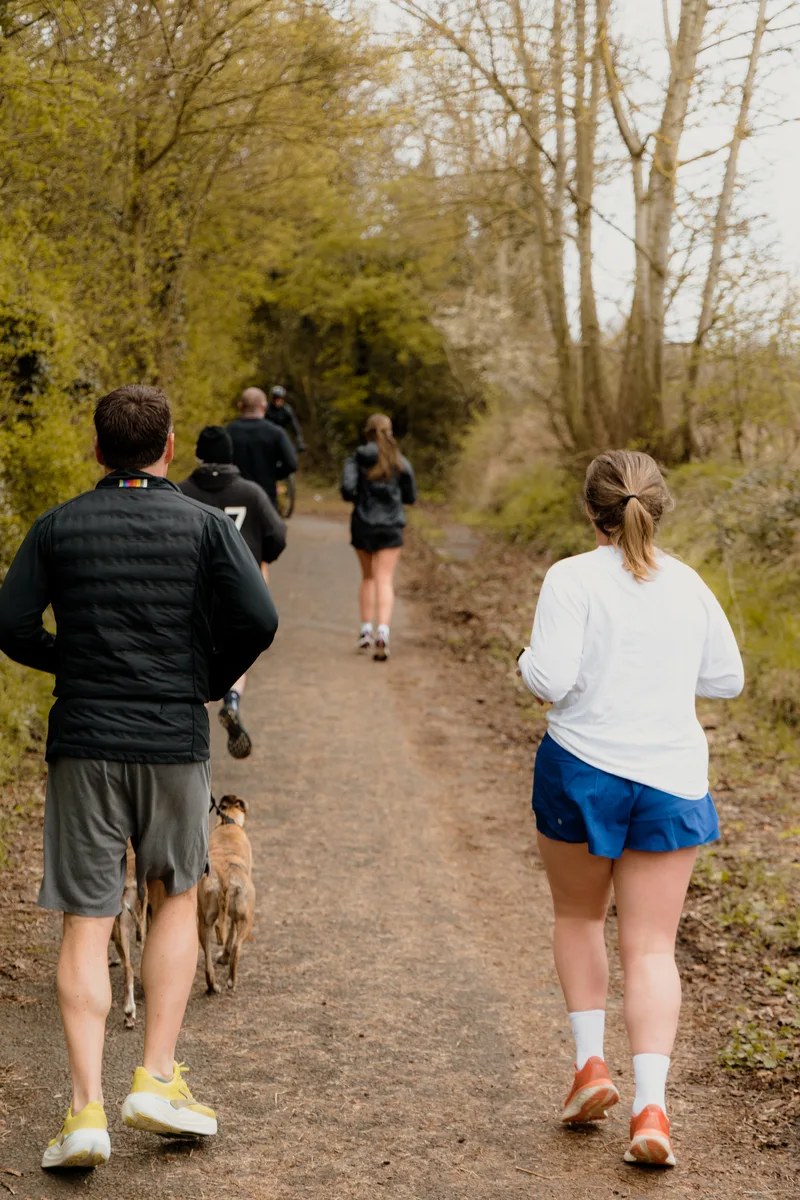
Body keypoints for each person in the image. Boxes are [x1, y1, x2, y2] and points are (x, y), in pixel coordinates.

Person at [0, 385, 278, 1170]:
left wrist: (75, 663)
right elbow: (258, 618)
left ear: (96, 449)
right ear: (168, 448)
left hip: (84, 739)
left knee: (87, 917)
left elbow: (11, 623)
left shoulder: (57, 527)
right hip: (171, 739)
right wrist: (203, 676)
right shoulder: (200, 526)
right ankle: (155, 1078)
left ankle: (85, 1109)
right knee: (175, 895)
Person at [517, 450, 744, 1168]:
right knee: (651, 947)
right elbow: (728, 678)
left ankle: (590, 1069)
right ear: (657, 506)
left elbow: (547, 678)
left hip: (583, 770)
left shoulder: (572, 578)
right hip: (672, 777)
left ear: (592, 510)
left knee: (579, 916)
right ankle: (652, 1108)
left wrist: (526, 664)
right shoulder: (688, 584)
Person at [178, 425, 287, 759]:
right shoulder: (251, 494)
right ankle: (233, 699)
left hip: (192, 592)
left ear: (198, 455)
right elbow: (277, 536)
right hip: (238, 591)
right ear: (230, 456)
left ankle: (192, 717)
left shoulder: (180, 492)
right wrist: (261, 558)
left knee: (194, 651)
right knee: (236, 649)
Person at [340, 413, 416, 661]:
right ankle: (383, 632)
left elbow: (346, 488)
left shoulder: (356, 458)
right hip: (391, 526)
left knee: (368, 578)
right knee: (385, 579)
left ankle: (365, 631)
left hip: (363, 524)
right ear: (389, 432)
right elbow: (410, 496)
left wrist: (359, 498)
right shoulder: (399, 460)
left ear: (367, 432)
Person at [228, 386, 297, 506]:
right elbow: (291, 463)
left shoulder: (228, 432)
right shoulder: (276, 433)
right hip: (266, 498)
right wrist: (273, 475)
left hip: (234, 499)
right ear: (264, 406)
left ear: (240, 406)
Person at [265, 385, 306, 451]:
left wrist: (299, 441)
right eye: (276, 399)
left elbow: (294, 426)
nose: (278, 401)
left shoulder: (287, 410)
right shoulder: (266, 410)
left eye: (280, 399)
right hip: (269, 436)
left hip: (282, 435)